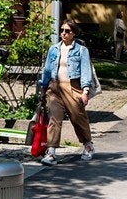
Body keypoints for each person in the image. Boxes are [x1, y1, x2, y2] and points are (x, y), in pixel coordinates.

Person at [38, 19, 99, 163]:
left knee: (78, 118)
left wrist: (84, 91)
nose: (63, 34)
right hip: (55, 88)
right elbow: (47, 70)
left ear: (74, 33)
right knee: (54, 119)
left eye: (67, 31)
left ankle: (88, 145)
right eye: (62, 30)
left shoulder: (81, 50)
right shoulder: (53, 49)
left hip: (73, 87)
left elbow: (85, 71)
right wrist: (43, 87)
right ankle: (51, 152)